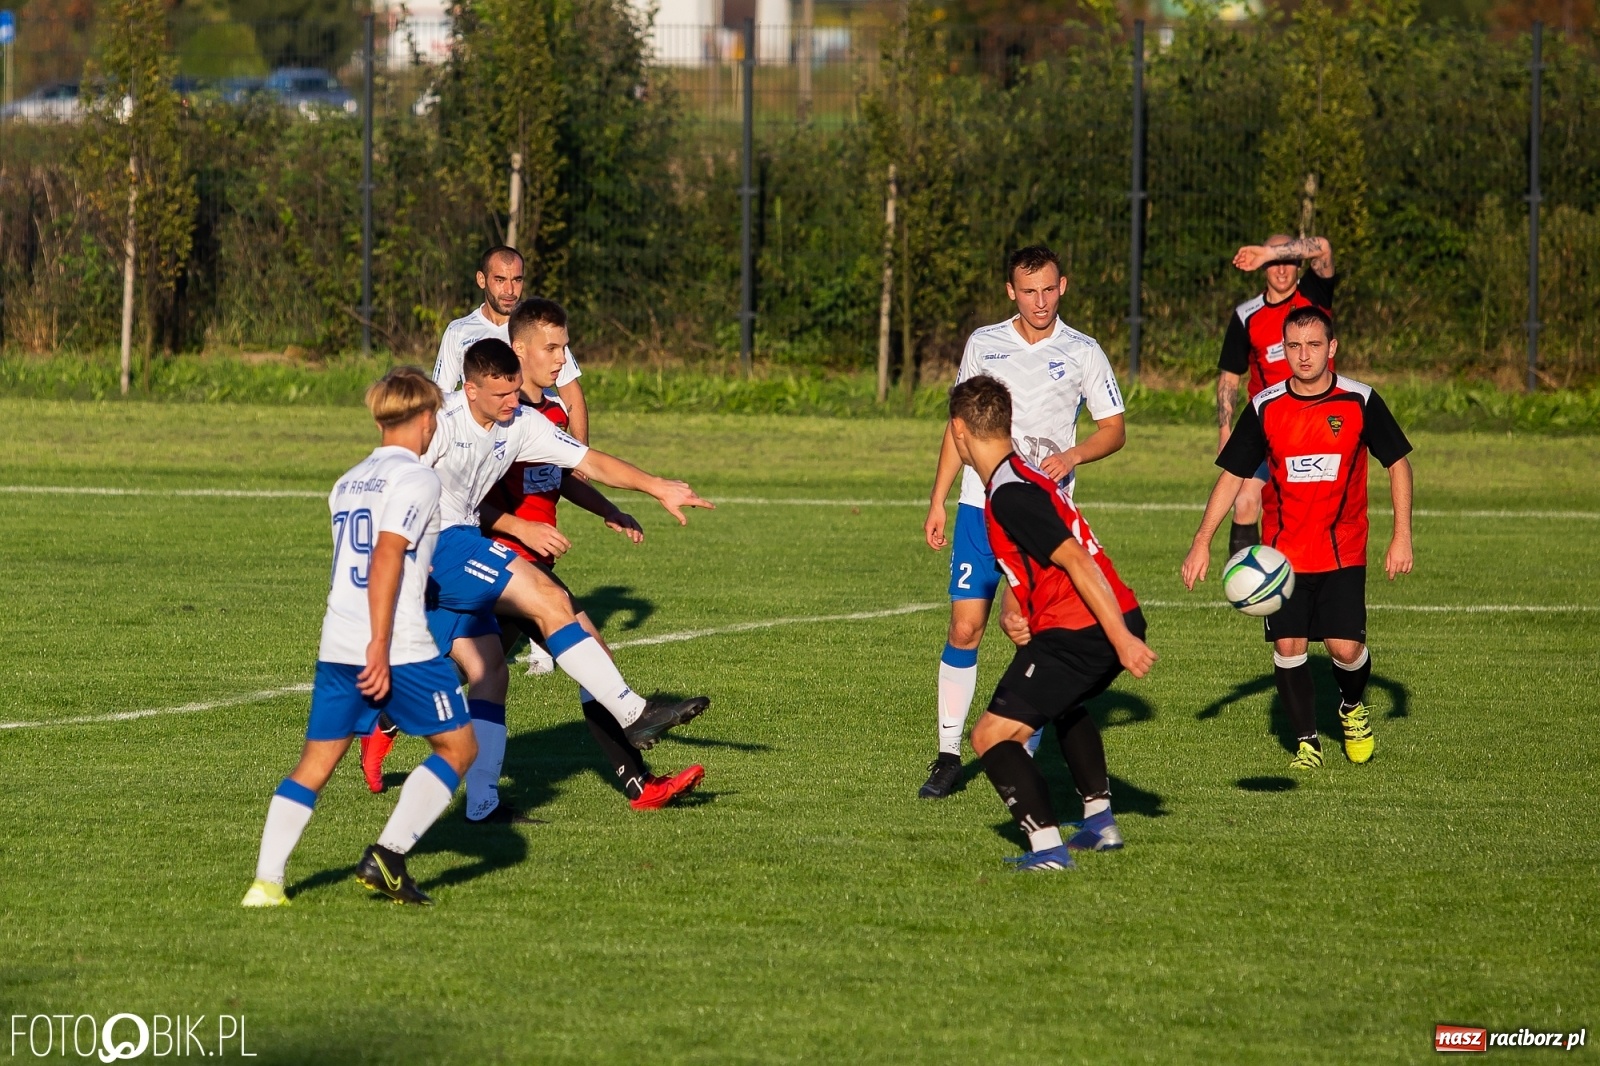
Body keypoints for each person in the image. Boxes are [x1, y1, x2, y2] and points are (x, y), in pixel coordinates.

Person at [422, 337, 713, 824]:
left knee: (490, 671)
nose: (512, 401)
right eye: (500, 394)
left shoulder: (520, 421)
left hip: (463, 540)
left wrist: (656, 486)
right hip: (435, 544)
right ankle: (633, 712)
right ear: (470, 390)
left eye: (514, 390)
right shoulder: (439, 423)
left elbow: (589, 461)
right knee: (549, 598)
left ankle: (481, 804)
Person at [242, 367, 476, 908]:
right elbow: (387, 553)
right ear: (426, 418)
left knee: (315, 764)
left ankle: (266, 883)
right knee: (459, 746)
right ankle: (389, 855)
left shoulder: (347, 481)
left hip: (337, 640)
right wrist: (380, 644)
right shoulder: (419, 478)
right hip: (397, 645)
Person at [919, 245, 1126, 800]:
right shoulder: (983, 343)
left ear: (1064, 286)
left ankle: (1023, 755)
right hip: (977, 508)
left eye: (1049, 290)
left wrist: (1074, 455)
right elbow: (958, 426)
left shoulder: (1083, 351)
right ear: (1011, 291)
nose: (1040, 301)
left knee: (1028, 632)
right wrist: (938, 499)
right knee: (965, 628)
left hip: (1040, 516)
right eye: (1029, 291)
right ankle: (947, 755)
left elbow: (1114, 428)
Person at [1183, 305, 1413, 770]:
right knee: (1288, 647)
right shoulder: (1265, 406)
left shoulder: (1360, 400)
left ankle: (1351, 707)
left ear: (1332, 347)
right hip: (1282, 557)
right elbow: (1232, 475)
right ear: (1283, 349)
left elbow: (1398, 463)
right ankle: (1308, 743)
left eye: (1313, 345)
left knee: (1345, 649)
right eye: (1293, 346)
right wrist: (1202, 540)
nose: (1303, 355)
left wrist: (1401, 535)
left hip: (1342, 549)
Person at [946, 375, 1156, 872]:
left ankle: (1047, 851)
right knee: (1064, 704)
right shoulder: (1021, 475)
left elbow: (1077, 560)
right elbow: (1033, 563)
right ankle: (1099, 823)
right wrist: (1014, 610)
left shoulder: (1010, 495)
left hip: (1086, 629)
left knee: (991, 737)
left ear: (958, 430)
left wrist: (1121, 641)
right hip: (1098, 618)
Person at [1216, 235, 1336, 558]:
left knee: (1308, 514)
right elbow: (1230, 376)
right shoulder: (1246, 315)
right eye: (1273, 264)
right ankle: (1249, 582)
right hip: (1268, 427)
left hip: (1317, 426)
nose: (1281, 270)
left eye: (1288, 262)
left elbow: (1323, 247)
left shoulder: (1313, 296)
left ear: (1298, 265)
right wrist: (1226, 431)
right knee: (1244, 501)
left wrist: (1267, 252)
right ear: (1263, 269)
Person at [432, 246, 589, 443]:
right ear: (481, 280)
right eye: (500, 280)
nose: (509, 290)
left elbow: (569, 388)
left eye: (517, 280)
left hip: (537, 441)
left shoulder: (537, 326)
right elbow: (441, 396)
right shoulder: (458, 331)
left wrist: (580, 449)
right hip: (484, 444)